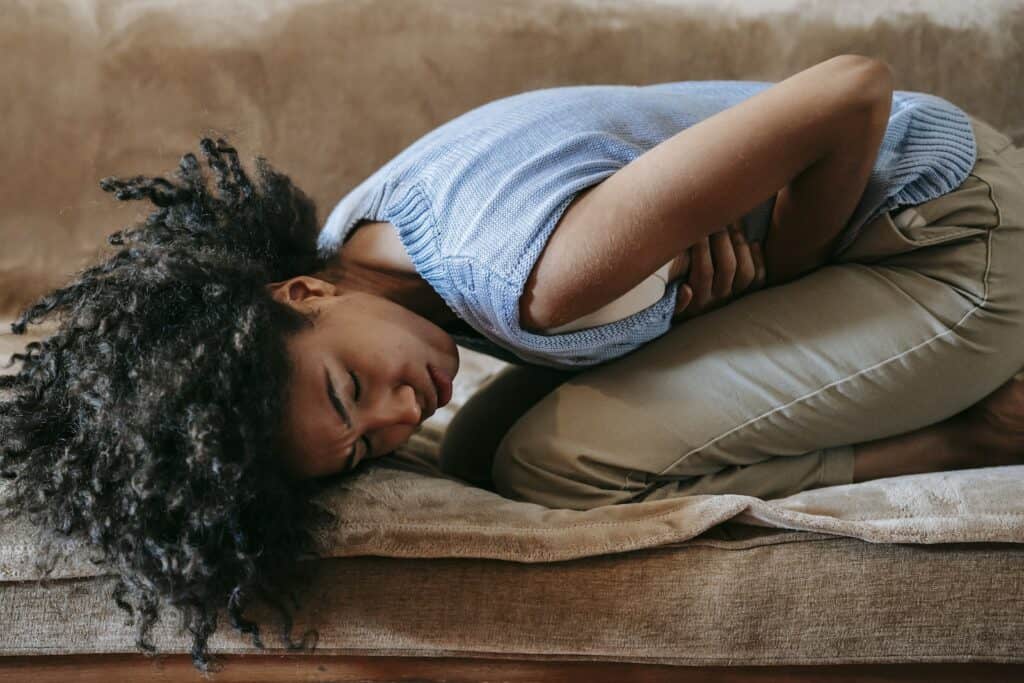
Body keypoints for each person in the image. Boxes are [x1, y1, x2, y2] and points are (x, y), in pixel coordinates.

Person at [3, 54, 1023, 668]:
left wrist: (778, 277)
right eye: (362, 447)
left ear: (299, 295)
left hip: (951, 239)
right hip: (911, 218)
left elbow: (852, 90)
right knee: (480, 446)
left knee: (549, 465)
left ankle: (977, 428)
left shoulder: (534, 273)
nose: (399, 417)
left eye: (348, 388)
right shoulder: (363, 241)